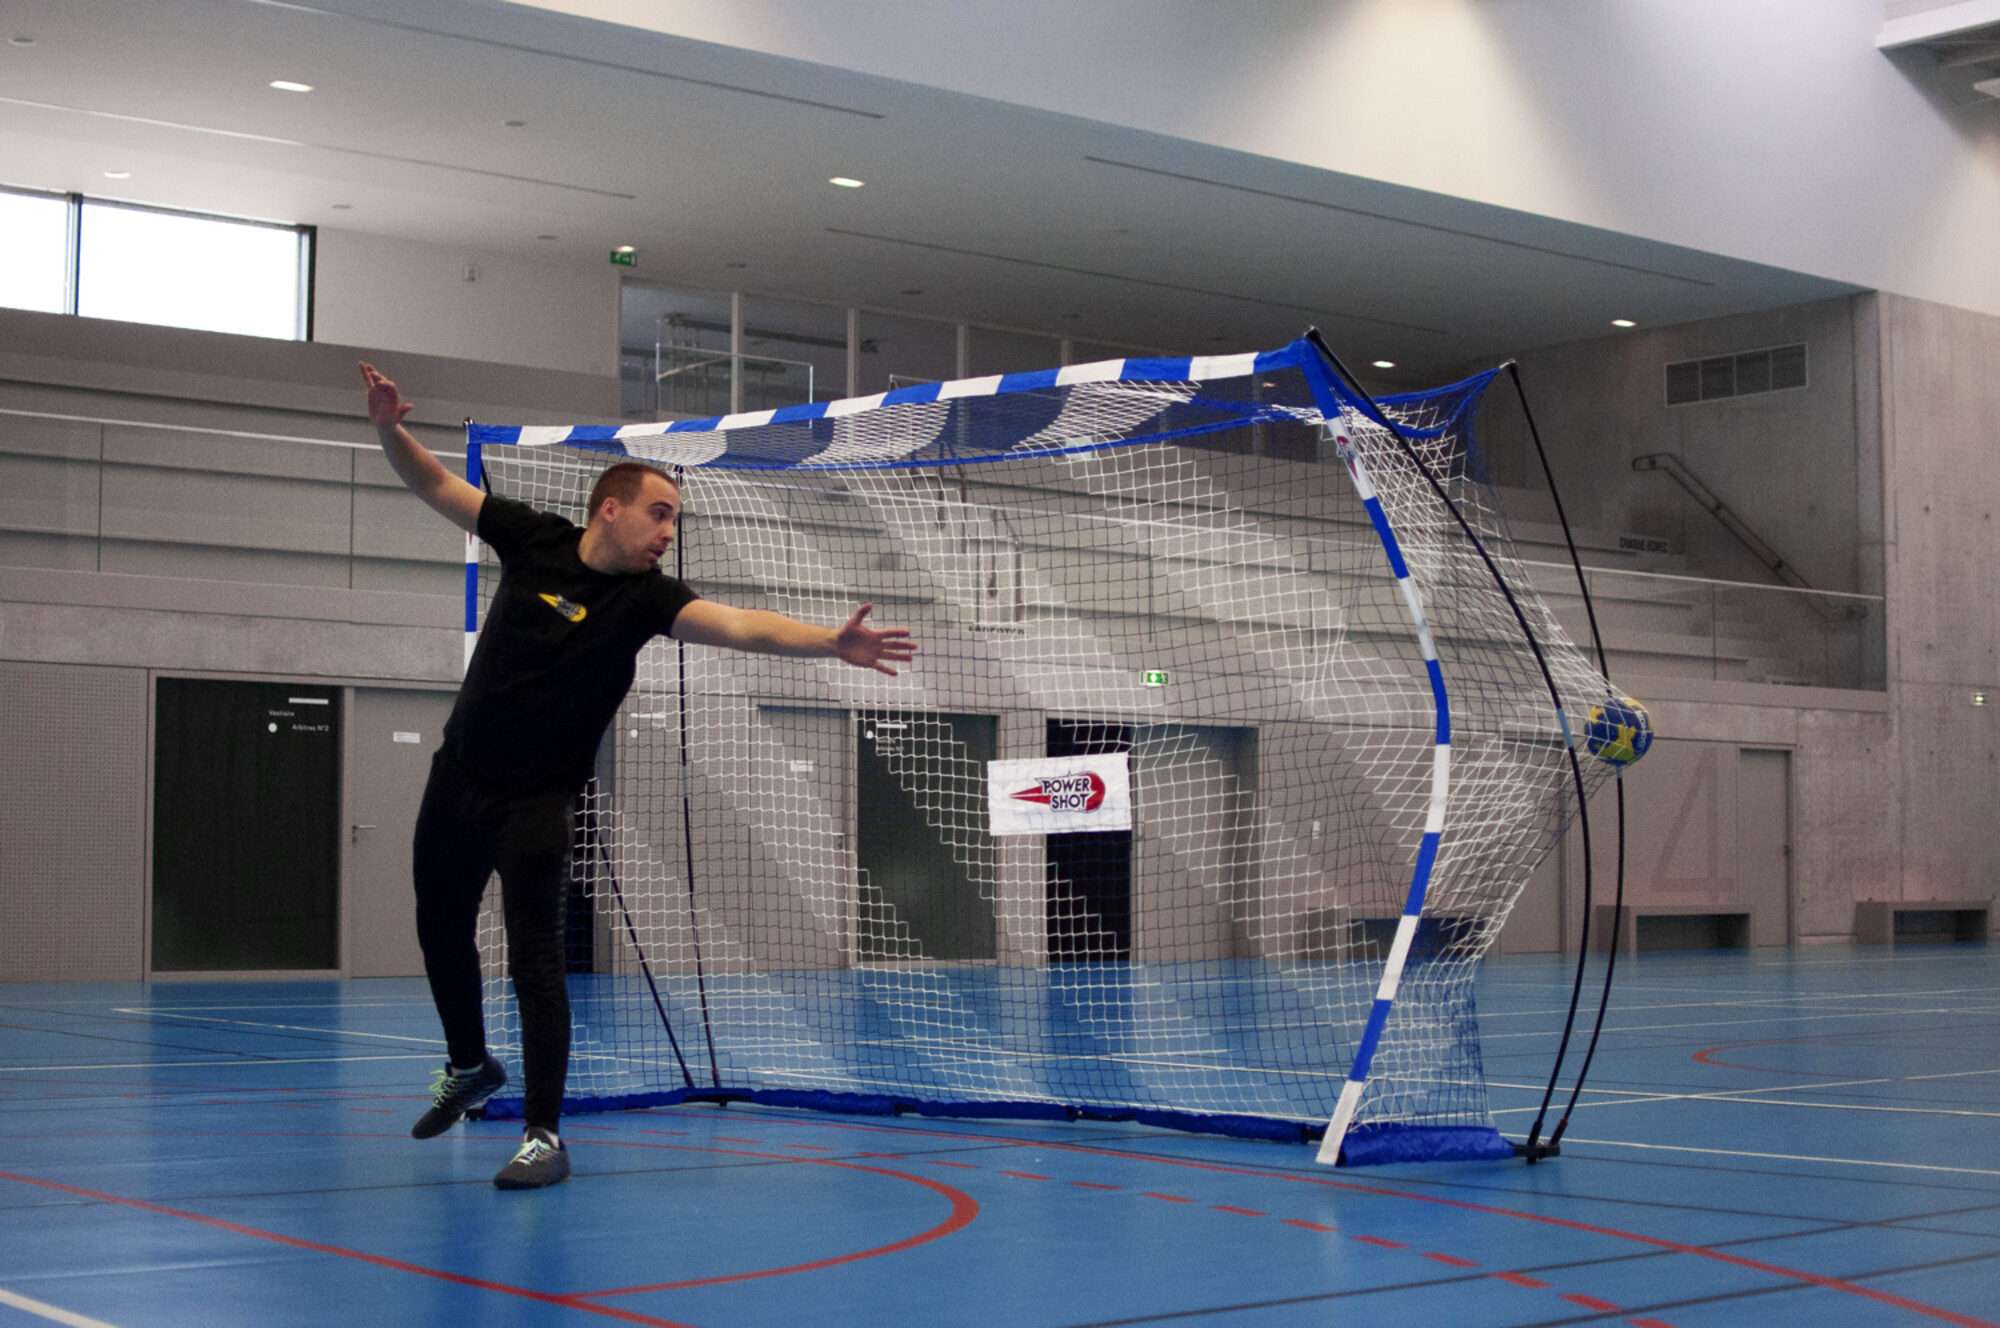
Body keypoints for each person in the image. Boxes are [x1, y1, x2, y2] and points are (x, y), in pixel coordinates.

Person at [361, 362, 916, 1189]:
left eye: (675, 519)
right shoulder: (534, 535)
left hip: (540, 799)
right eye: (659, 514)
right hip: (458, 774)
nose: (667, 531)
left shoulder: (648, 600)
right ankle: (469, 1063)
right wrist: (387, 431)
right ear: (608, 509)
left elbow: (742, 625)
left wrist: (828, 643)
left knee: (535, 959)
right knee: (439, 927)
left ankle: (543, 1134)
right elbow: (437, 485)